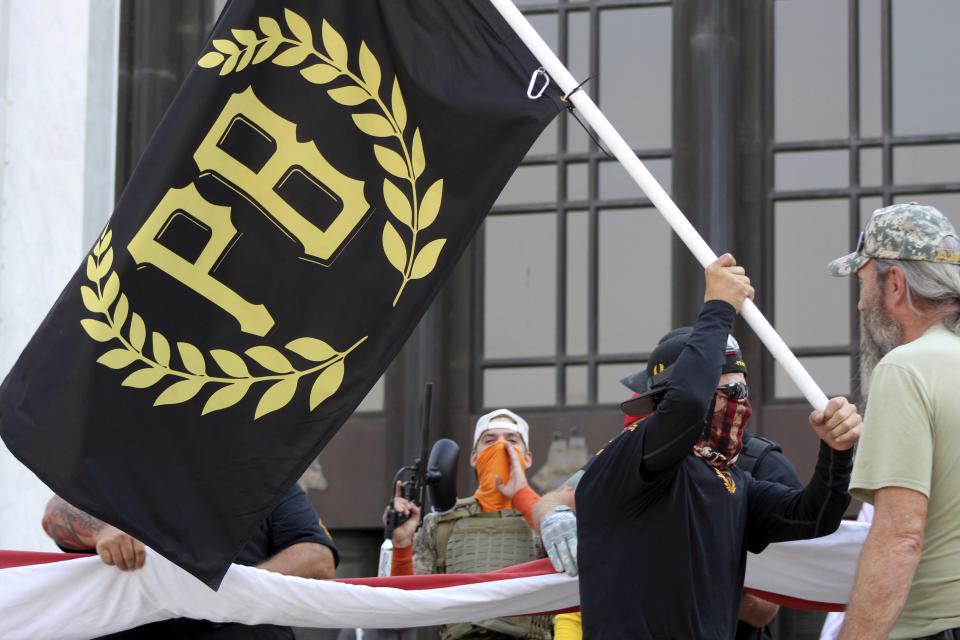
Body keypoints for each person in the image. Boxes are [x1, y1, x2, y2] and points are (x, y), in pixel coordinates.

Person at [532, 253, 861, 639]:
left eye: (744, 390)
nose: (740, 403)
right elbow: (687, 405)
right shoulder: (632, 456)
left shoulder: (732, 480)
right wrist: (719, 306)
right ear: (669, 398)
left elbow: (814, 516)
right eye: (729, 390)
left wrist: (837, 451)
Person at [825, 202, 960, 640]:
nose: (862, 305)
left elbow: (900, 538)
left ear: (895, 284)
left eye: (864, 284)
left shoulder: (906, 369)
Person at [42, 484, 339, 639]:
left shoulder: (267, 478)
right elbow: (56, 513)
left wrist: (232, 590)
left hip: (238, 631)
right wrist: (101, 531)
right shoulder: (117, 467)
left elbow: (318, 557)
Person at [385, 408, 552, 639]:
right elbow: (403, 614)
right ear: (474, 457)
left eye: (511, 441)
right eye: (489, 440)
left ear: (528, 458)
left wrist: (526, 501)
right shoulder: (440, 524)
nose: (500, 448)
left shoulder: (551, 520)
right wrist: (402, 545)